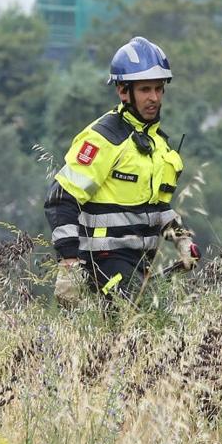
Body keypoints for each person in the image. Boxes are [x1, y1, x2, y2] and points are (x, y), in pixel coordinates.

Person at [45, 36, 198, 305]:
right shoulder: (103, 138)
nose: (153, 98)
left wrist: (182, 239)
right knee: (143, 324)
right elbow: (61, 199)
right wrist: (68, 265)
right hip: (103, 261)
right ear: (123, 91)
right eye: (145, 90)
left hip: (140, 263)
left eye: (159, 89)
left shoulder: (159, 145)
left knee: (155, 330)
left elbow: (157, 209)